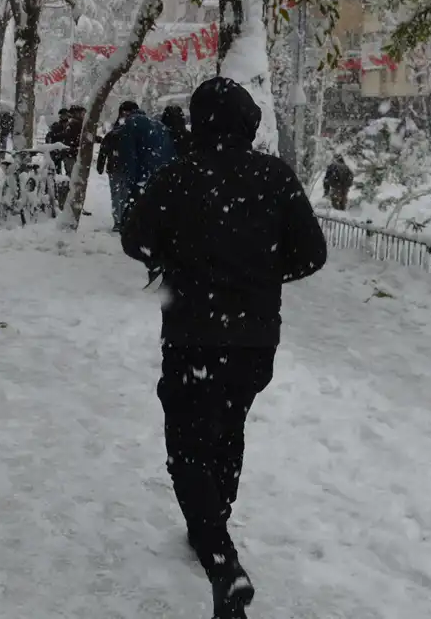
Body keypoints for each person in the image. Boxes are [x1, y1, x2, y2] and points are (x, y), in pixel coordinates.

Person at [120, 77, 327, 619]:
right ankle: (213, 521)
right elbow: (312, 254)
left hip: (192, 335)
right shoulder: (274, 177)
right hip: (254, 339)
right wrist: (260, 272)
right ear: (248, 121)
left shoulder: (177, 177)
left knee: (187, 446)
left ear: (198, 121)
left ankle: (220, 557)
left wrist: (175, 258)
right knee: (228, 428)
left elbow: (133, 238)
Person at [119, 101, 177, 209]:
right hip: (164, 175)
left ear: (125, 114)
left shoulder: (130, 123)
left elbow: (129, 156)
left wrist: (131, 183)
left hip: (143, 177)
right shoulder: (158, 124)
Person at [96, 105, 131, 231]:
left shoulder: (112, 134)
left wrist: (100, 165)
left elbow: (103, 150)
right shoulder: (131, 133)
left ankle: (118, 220)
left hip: (114, 167)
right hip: (127, 168)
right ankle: (123, 220)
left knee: (116, 195)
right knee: (125, 195)